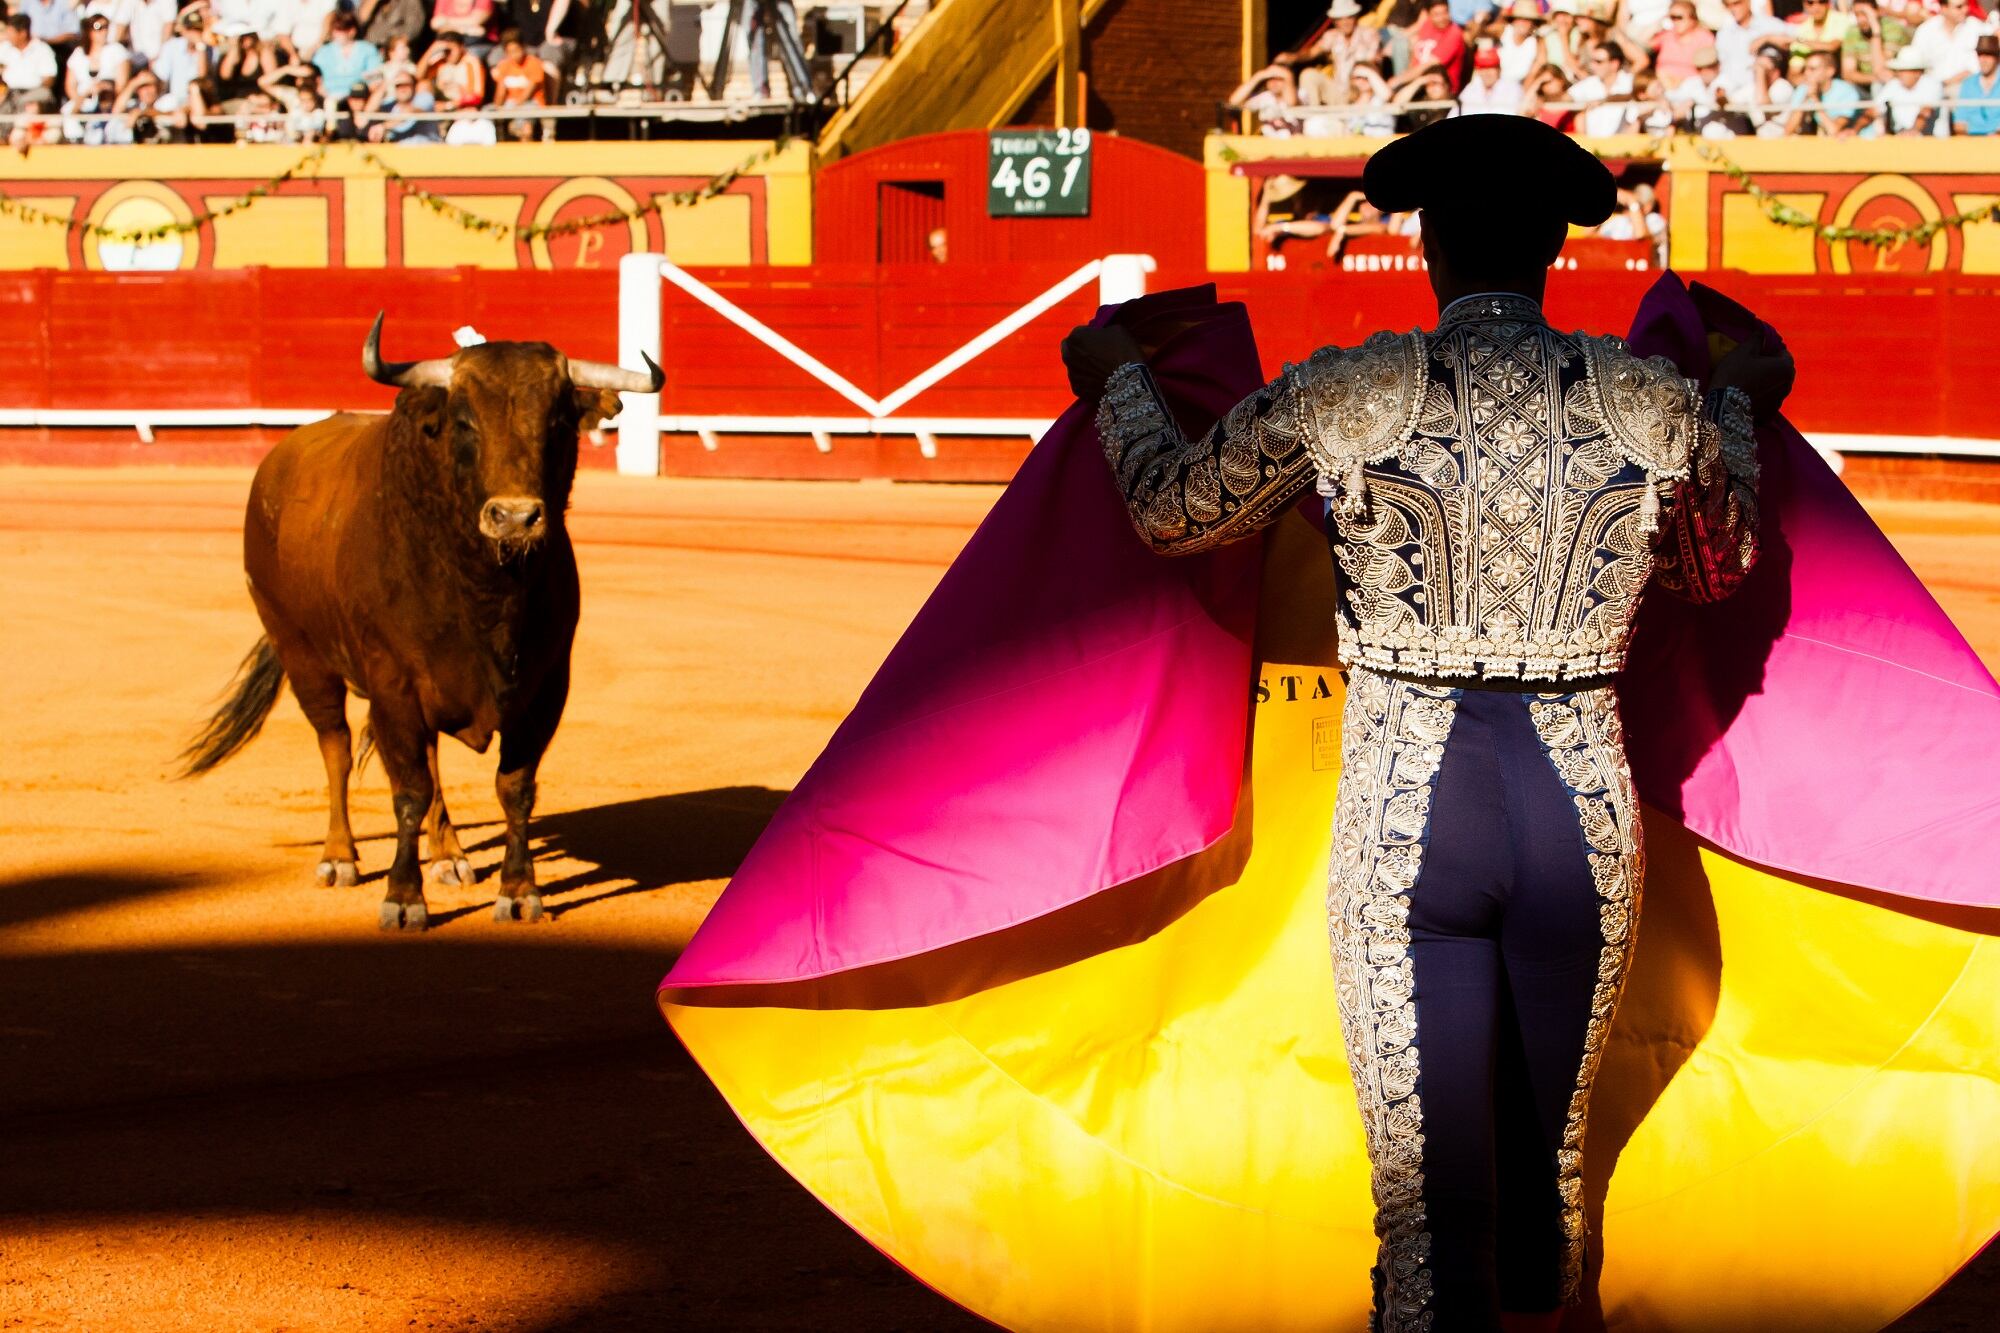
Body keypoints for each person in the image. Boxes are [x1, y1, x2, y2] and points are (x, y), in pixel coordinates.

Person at [1064, 113, 1790, 1330]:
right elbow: (1716, 571)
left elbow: (1173, 514)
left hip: (1411, 825)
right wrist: (1733, 407)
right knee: (1543, 1199)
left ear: (1427, 244)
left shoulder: (1350, 392)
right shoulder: (1648, 405)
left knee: (1425, 1219)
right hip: (1582, 825)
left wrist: (1118, 386)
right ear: (1555, 245)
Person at [1784, 47, 1862, 134]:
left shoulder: (1847, 92)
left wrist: (1814, 98)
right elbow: (1788, 131)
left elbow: (1833, 131)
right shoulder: (1803, 89)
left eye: (1812, 69)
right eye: (1805, 69)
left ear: (1830, 71)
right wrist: (1805, 99)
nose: (1806, 73)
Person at [1876, 45, 1948, 134]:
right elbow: (1874, 110)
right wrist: (1854, 130)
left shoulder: (1932, 84)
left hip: (1932, 143)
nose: (1899, 74)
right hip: (1904, 139)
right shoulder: (1894, 84)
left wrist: (1912, 132)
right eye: (1898, 70)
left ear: (1917, 72)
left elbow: (1926, 112)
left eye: (1903, 70)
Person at [0, 15, 62, 114]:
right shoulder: (4, 49)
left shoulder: (42, 50)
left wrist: (30, 92)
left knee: (37, 99)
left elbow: (49, 78)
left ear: (22, 33)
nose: (8, 36)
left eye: (11, 32)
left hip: (33, 93)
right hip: (8, 92)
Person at [1952, 33, 2000, 134]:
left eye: (1988, 55)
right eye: (1980, 54)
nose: (1983, 60)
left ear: (1997, 57)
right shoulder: (1968, 84)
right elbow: (1959, 123)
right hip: (1971, 142)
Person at [1455, 42, 1523, 113]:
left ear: (1499, 69)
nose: (1486, 73)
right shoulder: (1471, 89)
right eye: (1482, 68)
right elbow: (1454, 113)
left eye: (1490, 67)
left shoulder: (1512, 89)